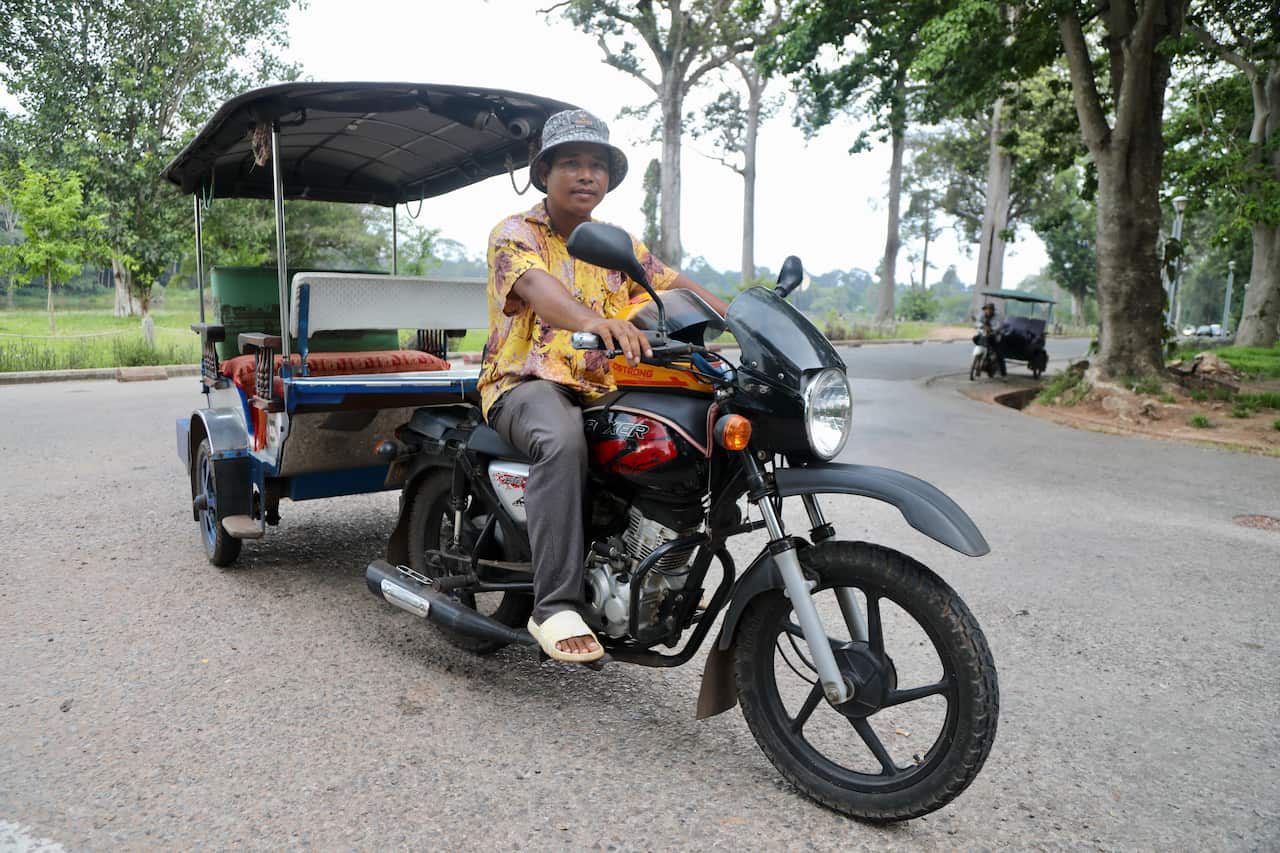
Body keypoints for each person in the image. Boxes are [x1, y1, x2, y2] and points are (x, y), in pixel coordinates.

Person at [477, 109, 728, 663]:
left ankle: (647, 565)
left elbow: (674, 285)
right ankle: (556, 606)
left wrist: (743, 319)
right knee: (562, 439)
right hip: (526, 383)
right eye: (572, 163)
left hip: (603, 385)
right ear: (545, 172)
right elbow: (541, 290)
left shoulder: (619, 246)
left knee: (682, 430)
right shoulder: (514, 234)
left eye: (597, 165)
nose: (586, 175)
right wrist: (591, 321)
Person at [978, 302, 1006, 376]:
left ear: (993, 310)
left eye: (990, 309)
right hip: (984, 335)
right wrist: (980, 326)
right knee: (975, 338)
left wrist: (991, 329)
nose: (988, 311)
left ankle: (1004, 374)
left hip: (995, 336)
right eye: (986, 309)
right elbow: (978, 322)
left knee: (999, 355)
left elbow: (998, 326)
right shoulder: (982, 316)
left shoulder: (998, 317)